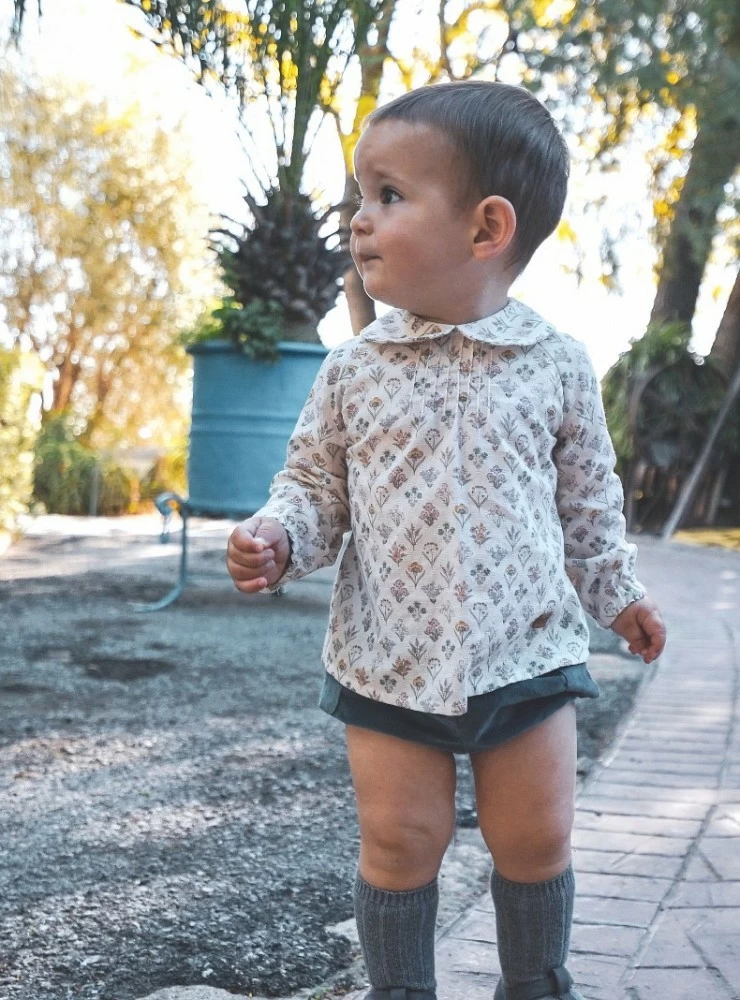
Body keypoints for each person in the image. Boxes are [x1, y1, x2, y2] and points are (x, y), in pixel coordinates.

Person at [226, 81, 667, 1000]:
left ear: (486, 227)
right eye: (359, 195)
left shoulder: (556, 365)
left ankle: (537, 984)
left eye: (387, 195)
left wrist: (616, 595)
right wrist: (277, 535)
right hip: (388, 655)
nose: (357, 219)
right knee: (399, 841)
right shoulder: (354, 368)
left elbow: (589, 503)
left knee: (536, 838)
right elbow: (314, 486)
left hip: (527, 651)